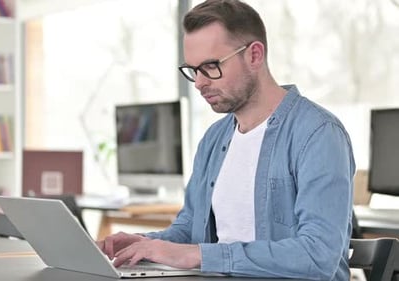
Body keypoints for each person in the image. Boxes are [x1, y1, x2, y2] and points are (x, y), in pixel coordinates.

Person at [97, 0, 355, 280]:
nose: (199, 83)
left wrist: (198, 255)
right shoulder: (214, 139)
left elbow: (318, 256)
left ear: (254, 55)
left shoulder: (318, 134)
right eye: (193, 70)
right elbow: (189, 231)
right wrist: (145, 244)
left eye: (210, 66)